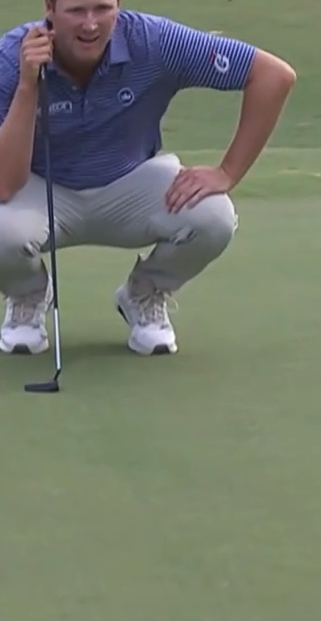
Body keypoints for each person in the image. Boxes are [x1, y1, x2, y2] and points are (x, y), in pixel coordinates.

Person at [0, 2, 296, 356]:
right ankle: (27, 294)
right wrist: (28, 85)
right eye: (76, 10)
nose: (90, 24)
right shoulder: (9, 58)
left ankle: (145, 293)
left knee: (213, 217)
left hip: (130, 184)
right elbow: (5, 183)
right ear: (50, 8)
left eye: (102, 8)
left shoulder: (153, 41)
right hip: (42, 188)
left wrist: (227, 172)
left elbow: (273, 75)